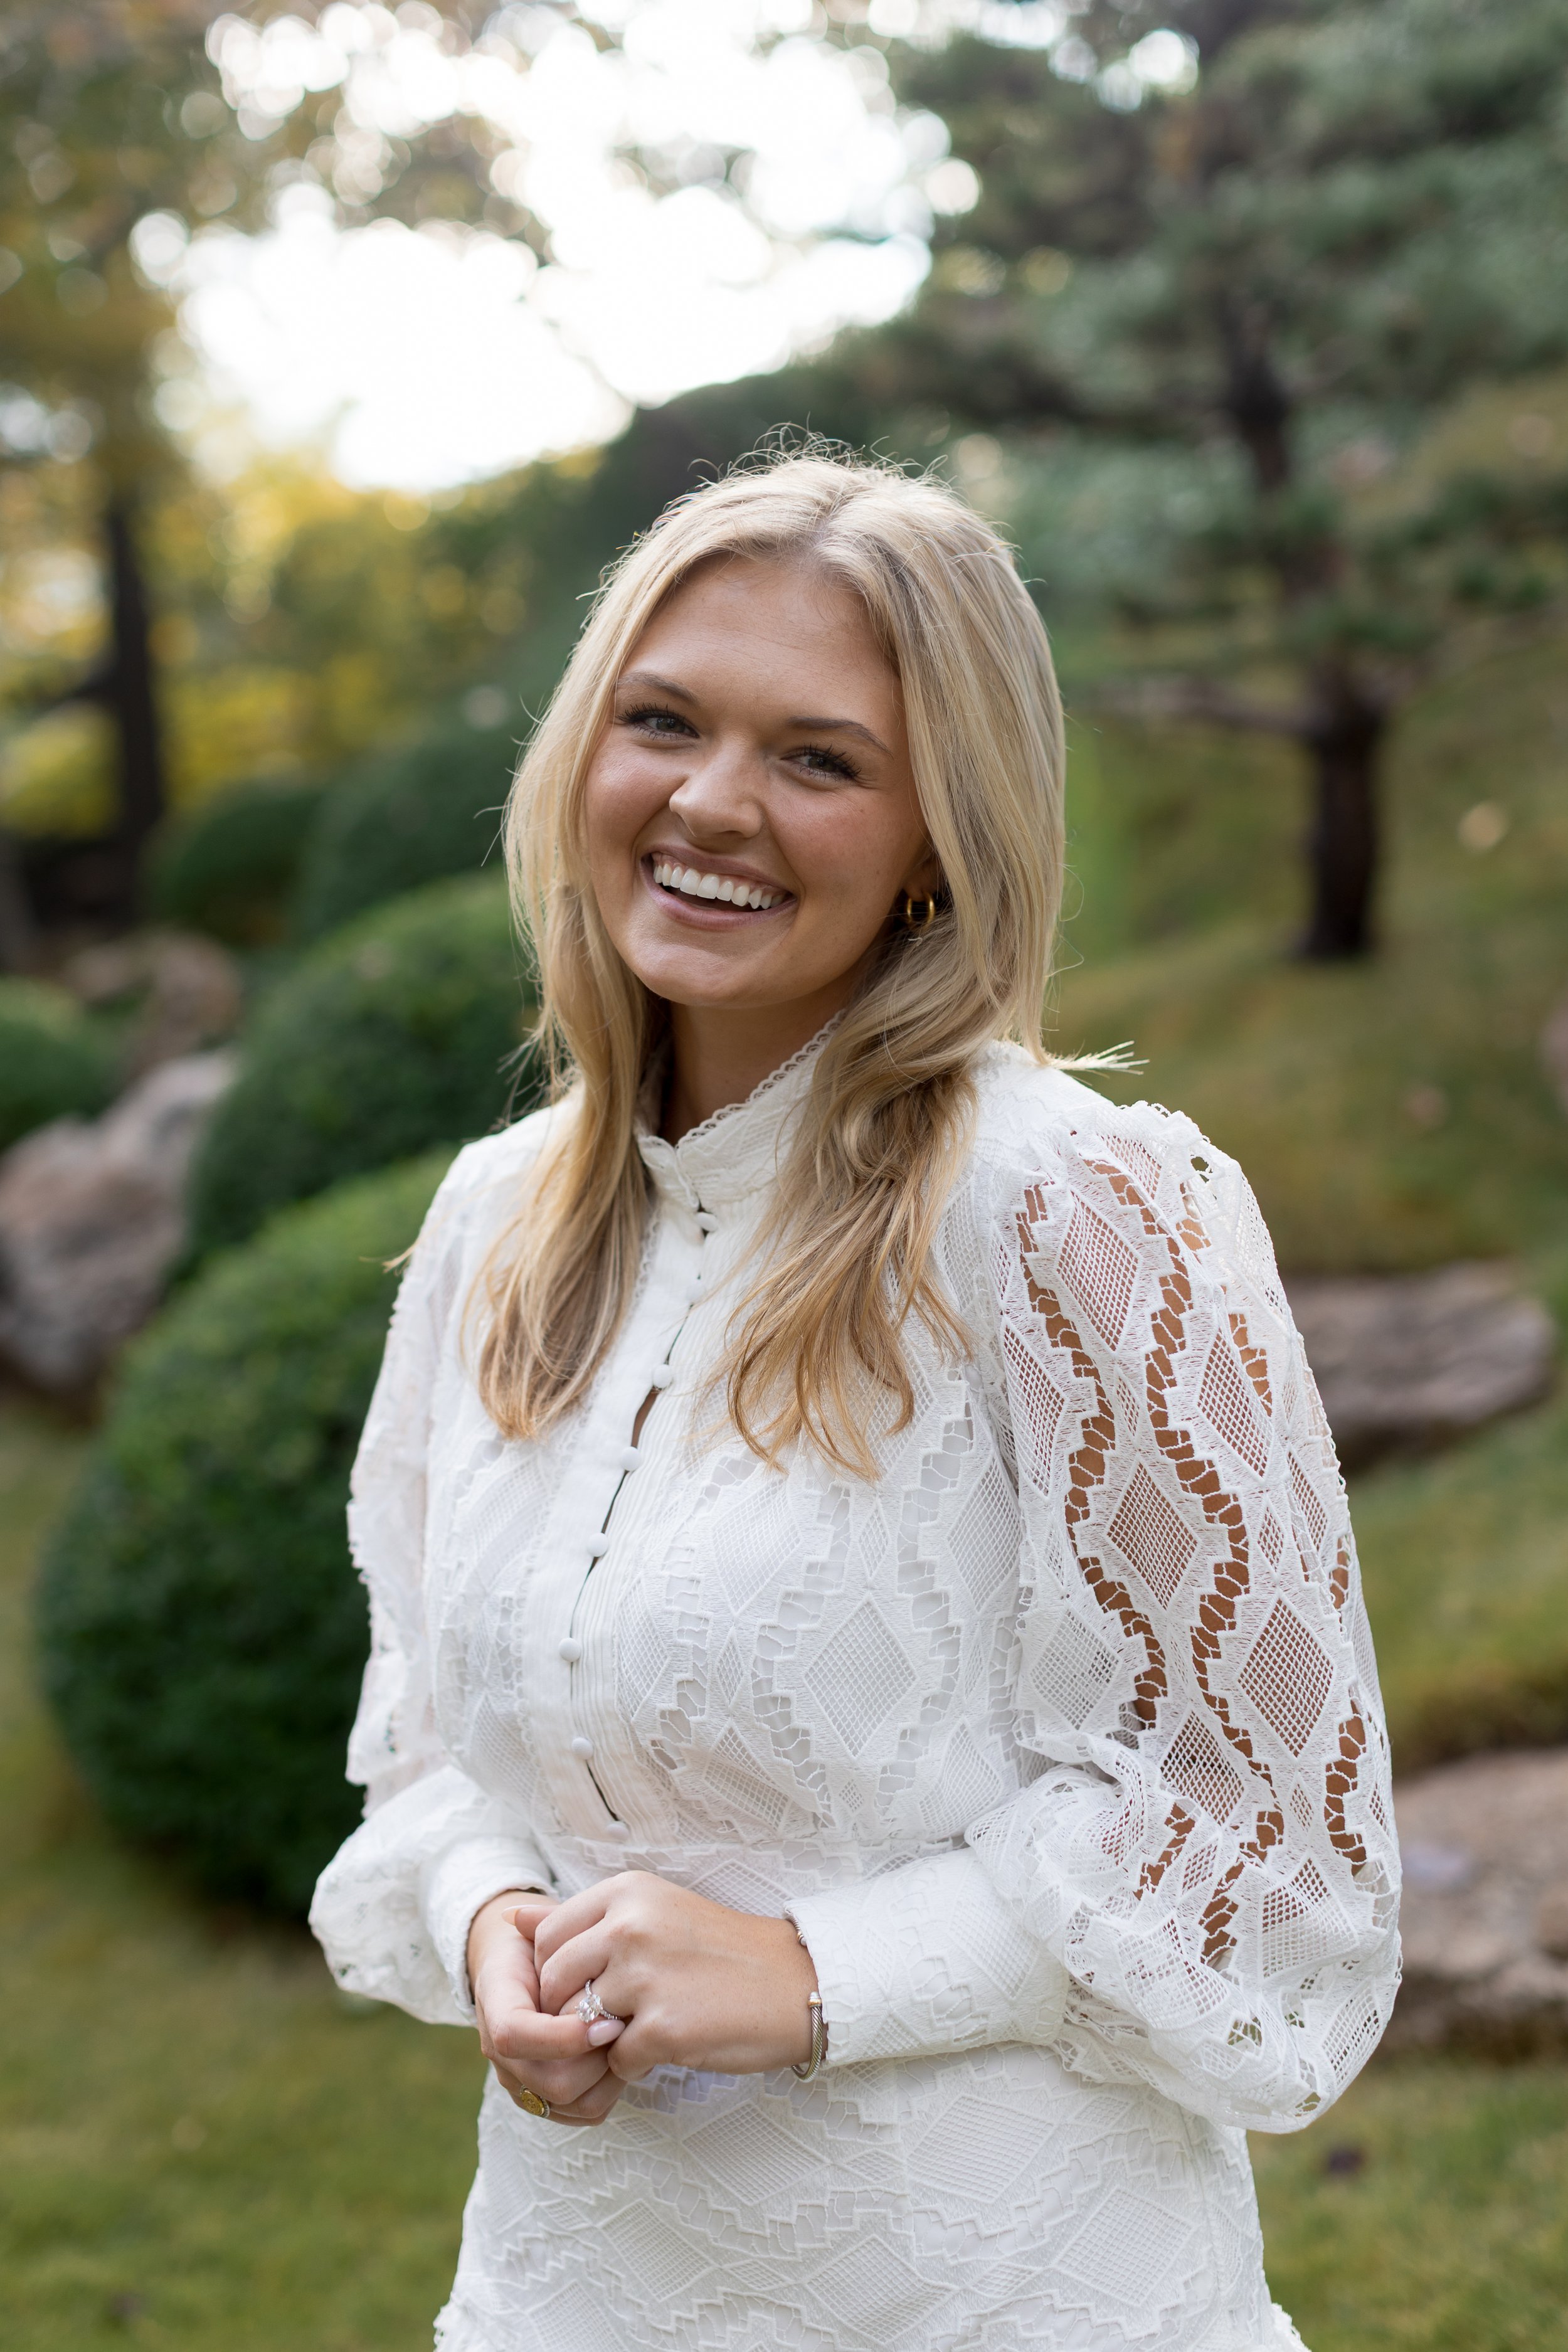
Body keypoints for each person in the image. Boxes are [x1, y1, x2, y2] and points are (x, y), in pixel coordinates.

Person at [311, 450, 1401, 2352]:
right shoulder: (496, 1219)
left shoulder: (1073, 1207)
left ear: (937, 841)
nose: (711, 803)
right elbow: (433, 1747)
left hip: (999, 2296)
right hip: (566, 2293)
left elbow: (1269, 1854)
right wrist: (495, 1920)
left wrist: (812, 1971)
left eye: (818, 759)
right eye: (664, 721)